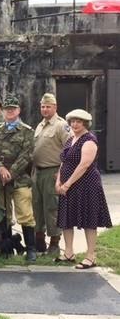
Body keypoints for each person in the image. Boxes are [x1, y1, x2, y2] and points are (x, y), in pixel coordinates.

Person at [54, 109, 112, 269]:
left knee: (89, 220)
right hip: (68, 186)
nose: (75, 124)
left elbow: (84, 165)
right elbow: (64, 162)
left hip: (87, 186)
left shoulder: (89, 140)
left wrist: (67, 184)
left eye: (78, 121)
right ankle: (69, 253)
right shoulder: (71, 139)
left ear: (85, 123)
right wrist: (59, 181)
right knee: (66, 219)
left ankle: (91, 256)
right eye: (72, 121)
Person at [0, 95, 37, 262]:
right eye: (7, 109)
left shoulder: (27, 131)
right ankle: (6, 246)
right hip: (0, 180)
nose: (10, 112)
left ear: (18, 110)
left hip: (20, 179)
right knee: (3, 213)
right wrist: (0, 168)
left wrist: (10, 172)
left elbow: (26, 155)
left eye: (13, 109)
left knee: (25, 213)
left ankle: (31, 249)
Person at [32, 93, 70, 255]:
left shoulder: (61, 126)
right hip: (38, 173)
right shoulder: (40, 125)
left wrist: (62, 175)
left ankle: (54, 243)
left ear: (55, 107)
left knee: (52, 208)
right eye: (42, 106)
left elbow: (69, 152)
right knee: (37, 207)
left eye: (48, 106)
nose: (45, 109)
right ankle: (39, 240)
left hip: (53, 172)